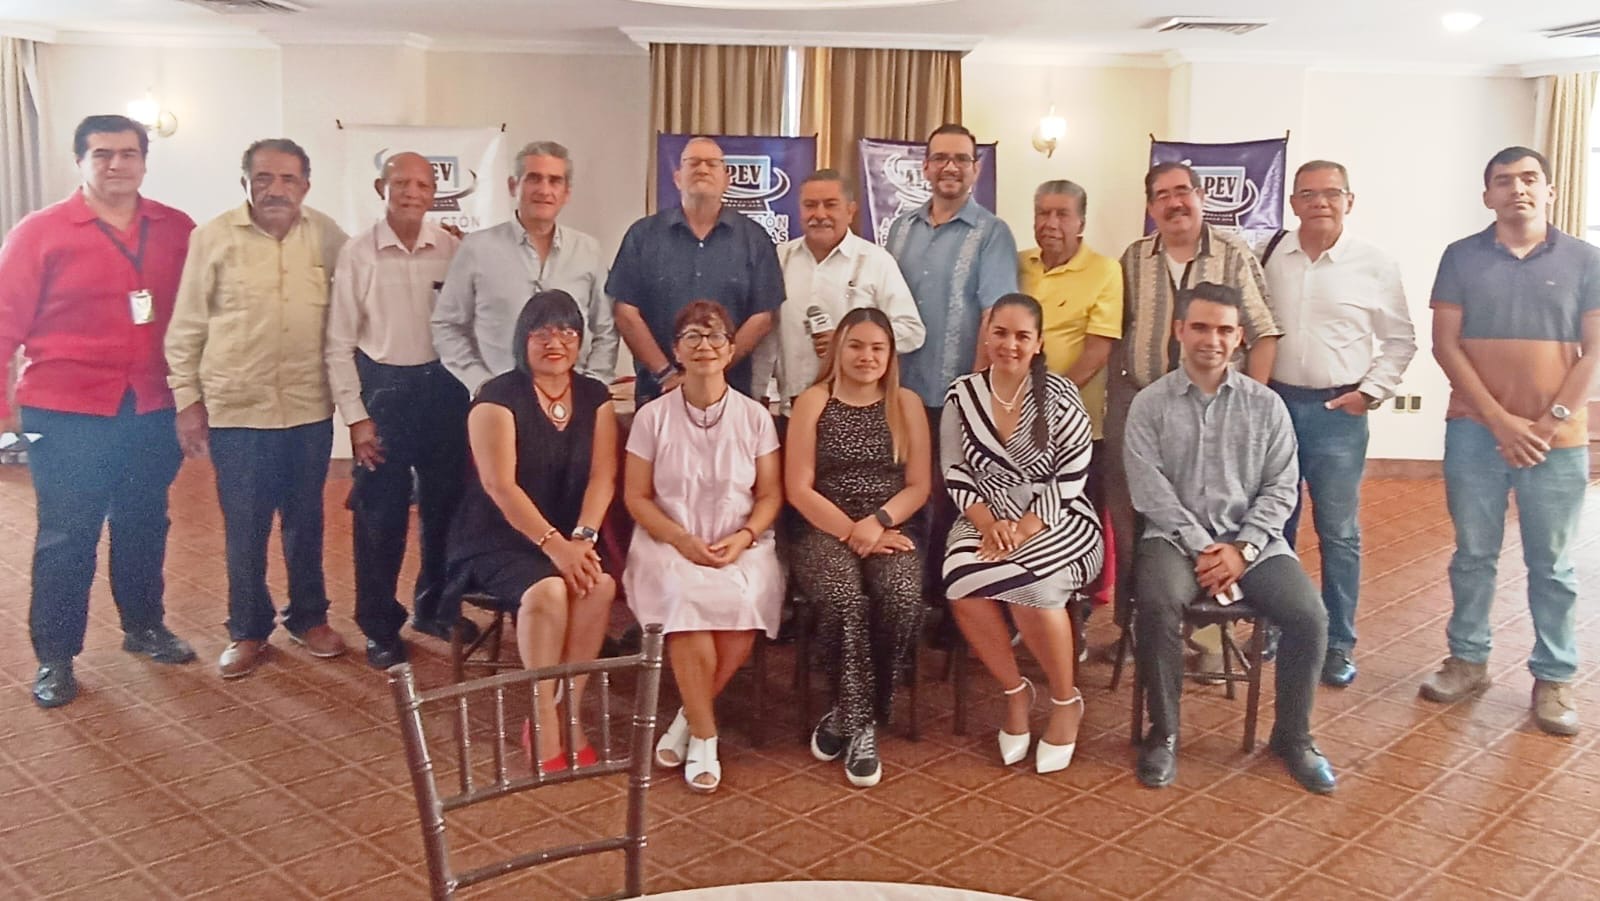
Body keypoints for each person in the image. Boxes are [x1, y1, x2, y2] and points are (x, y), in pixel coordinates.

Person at [0, 114, 198, 708]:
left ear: (144, 161)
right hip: (66, 411)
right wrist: (3, 411)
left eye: (128, 153)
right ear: (80, 161)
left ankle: (144, 626)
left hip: (152, 406)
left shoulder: (177, 228)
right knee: (68, 534)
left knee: (145, 522)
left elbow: (202, 318)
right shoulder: (40, 232)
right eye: (102, 154)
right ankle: (56, 657)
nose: (117, 164)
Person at [1124, 281, 1335, 795]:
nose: (1211, 340)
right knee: (1156, 603)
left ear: (1240, 337)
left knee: (1309, 616)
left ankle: (1293, 737)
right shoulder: (1149, 404)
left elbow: (1282, 488)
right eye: (1200, 327)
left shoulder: (1267, 406)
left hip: (1252, 543)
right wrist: (1204, 548)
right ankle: (1164, 734)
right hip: (1175, 540)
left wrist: (1242, 550)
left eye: (1223, 330)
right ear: (1179, 330)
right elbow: (1149, 490)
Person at [1421, 146, 1600, 736]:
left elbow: (1595, 351)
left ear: (1550, 190)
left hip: (1557, 441)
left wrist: (1547, 424)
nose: (1517, 189)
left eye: (1529, 179)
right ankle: (1467, 660)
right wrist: (1500, 421)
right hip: (1476, 433)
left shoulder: (1586, 259)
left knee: (1552, 565)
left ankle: (1554, 676)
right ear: (1487, 195)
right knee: (1473, 555)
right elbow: (1446, 345)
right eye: (1504, 181)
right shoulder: (1460, 257)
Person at [165, 138, 350, 678]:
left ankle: (309, 618)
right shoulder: (213, 238)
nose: (276, 189)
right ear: (245, 182)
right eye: (263, 178)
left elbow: (366, 290)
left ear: (305, 185)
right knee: (245, 528)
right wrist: (187, 401)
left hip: (308, 407)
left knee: (306, 521)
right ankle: (247, 629)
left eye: (288, 179)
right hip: (238, 410)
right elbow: (187, 326)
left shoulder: (327, 235)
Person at [1108, 162, 1283, 673]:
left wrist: (1250, 404)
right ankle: (1137, 627)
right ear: (1150, 206)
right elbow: (1118, 330)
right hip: (1143, 404)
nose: (1174, 203)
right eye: (1162, 195)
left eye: (1182, 191)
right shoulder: (1134, 258)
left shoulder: (1232, 254)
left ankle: (1208, 637)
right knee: (1133, 518)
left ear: (1201, 197)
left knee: (1210, 513)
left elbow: (1263, 332)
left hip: (1215, 409)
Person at [446, 290, 618, 770]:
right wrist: (554, 546)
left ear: (580, 340)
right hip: (498, 536)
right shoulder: (496, 397)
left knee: (599, 587)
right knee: (549, 592)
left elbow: (604, 476)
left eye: (566, 331)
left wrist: (582, 537)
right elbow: (499, 486)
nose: (554, 342)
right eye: (541, 332)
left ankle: (569, 709)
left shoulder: (595, 397)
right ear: (523, 339)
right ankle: (541, 715)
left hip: (568, 533)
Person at [1263, 160, 1416, 688]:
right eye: (1308, 194)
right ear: (1293, 203)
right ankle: (1275, 624)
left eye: (1331, 193)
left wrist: (1370, 392)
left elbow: (1401, 340)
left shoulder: (1374, 263)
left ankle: (1338, 641)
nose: (1320, 202)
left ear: (1350, 201)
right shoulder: (1269, 256)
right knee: (1274, 525)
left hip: (1338, 416)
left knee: (1338, 533)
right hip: (1276, 408)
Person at [623, 300, 783, 793]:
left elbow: (770, 495)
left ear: (732, 350)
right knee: (685, 598)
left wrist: (744, 536)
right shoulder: (652, 417)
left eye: (715, 337)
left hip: (742, 542)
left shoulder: (755, 417)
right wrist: (682, 540)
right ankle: (707, 738)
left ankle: (684, 722)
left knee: (744, 603)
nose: (704, 346)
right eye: (692, 336)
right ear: (676, 350)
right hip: (667, 541)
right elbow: (636, 496)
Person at [942, 294, 1103, 775]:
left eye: (1021, 336)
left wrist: (1025, 527)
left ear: (1038, 343)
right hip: (984, 514)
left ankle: (1065, 700)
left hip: (1059, 517)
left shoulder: (1061, 394)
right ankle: (1015, 691)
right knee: (960, 579)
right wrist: (988, 523)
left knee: (1033, 585)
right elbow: (954, 469)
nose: (1009, 344)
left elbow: (1073, 475)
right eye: (1000, 333)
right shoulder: (962, 394)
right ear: (986, 336)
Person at [325, 152, 473, 669]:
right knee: (379, 515)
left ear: (435, 193)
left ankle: (435, 606)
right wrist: (356, 418)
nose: (412, 192)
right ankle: (379, 625)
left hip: (444, 391)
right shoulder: (358, 253)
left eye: (423, 184)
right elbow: (338, 344)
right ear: (380, 188)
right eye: (401, 183)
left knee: (445, 508)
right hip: (385, 393)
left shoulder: (452, 249)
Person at [785, 307, 931, 787]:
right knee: (842, 597)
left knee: (902, 596)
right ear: (838, 349)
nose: (866, 356)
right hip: (823, 527)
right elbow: (798, 488)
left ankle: (851, 712)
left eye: (877, 348)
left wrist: (878, 522)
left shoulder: (906, 403)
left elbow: (919, 486)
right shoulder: (814, 400)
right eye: (856, 345)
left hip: (890, 525)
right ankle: (861, 722)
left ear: (890, 355)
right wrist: (852, 531)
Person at [885, 123, 1019, 621]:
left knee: (948, 499)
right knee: (902, 492)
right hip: (899, 392)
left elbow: (994, 314)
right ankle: (904, 599)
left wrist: (975, 394)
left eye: (961, 159)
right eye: (940, 158)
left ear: (975, 170)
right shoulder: (900, 228)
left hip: (954, 394)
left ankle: (944, 608)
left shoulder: (992, 233)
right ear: (924, 167)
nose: (950, 167)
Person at [432, 140, 618, 395]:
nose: (544, 190)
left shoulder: (588, 250)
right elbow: (447, 325)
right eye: (534, 178)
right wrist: (482, 384)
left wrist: (593, 386)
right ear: (513, 186)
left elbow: (605, 330)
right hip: (499, 399)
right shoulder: (477, 248)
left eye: (554, 181)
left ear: (566, 193)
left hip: (573, 400)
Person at [608, 137, 784, 402]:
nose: (702, 169)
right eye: (693, 163)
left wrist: (711, 371)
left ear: (727, 179)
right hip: (659, 394)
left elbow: (763, 317)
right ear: (677, 178)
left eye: (712, 164)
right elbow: (625, 313)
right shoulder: (642, 236)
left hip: (730, 395)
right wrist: (667, 374)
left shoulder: (755, 239)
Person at [755, 169, 923, 412]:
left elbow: (912, 330)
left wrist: (849, 340)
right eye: (810, 205)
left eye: (830, 205)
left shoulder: (876, 261)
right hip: (792, 408)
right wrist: (758, 394)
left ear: (851, 211)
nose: (819, 214)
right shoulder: (780, 258)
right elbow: (765, 338)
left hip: (858, 409)